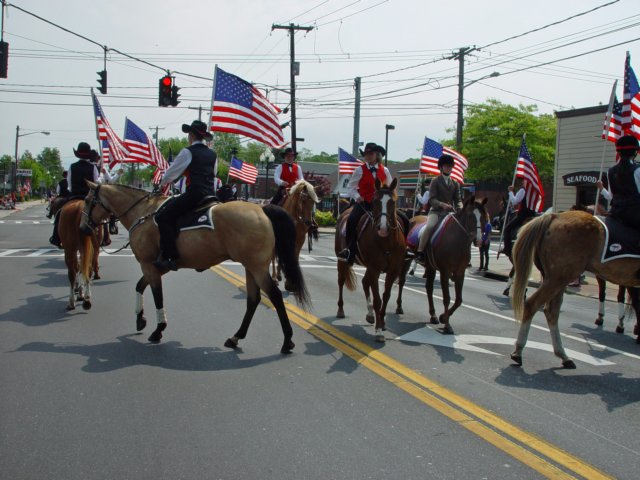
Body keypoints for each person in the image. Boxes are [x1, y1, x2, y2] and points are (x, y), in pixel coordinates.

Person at [153, 120, 217, 271]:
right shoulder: (212, 154)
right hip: (211, 195)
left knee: (163, 217)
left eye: (189, 134)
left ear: (191, 135)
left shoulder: (188, 152)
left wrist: (161, 184)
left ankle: (170, 257)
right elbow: (213, 174)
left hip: (194, 194)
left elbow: (171, 173)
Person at [337, 142, 392, 265]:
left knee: (401, 219)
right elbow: (351, 187)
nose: (368, 156)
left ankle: (401, 250)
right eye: (366, 154)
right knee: (351, 220)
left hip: (381, 205)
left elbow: (390, 187)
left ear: (376, 154)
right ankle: (349, 250)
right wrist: (358, 196)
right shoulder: (360, 170)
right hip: (365, 203)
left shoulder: (385, 170)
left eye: (370, 153)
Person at [49, 143, 100, 248]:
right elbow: (96, 183)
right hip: (88, 198)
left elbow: (69, 186)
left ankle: (55, 237)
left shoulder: (72, 166)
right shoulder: (93, 167)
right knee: (102, 216)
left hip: (74, 196)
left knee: (59, 214)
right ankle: (103, 237)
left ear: (78, 154)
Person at [416, 154, 462, 262]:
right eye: (446, 166)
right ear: (441, 167)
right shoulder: (435, 181)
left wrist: (460, 207)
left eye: (450, 166)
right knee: (429, 226)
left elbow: (458, 199)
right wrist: (442, 205)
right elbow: (432, 199)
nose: (449, 168)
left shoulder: (455, 183)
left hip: (450, 213)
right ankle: (420, 251)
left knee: (461, 228)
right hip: (436, 212)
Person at [607, 135, 640, 230]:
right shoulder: (637, 170)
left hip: (615, 214)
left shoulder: (611, 171)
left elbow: (610, 196)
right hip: (634, 216)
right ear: (635, 152)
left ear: (619, 152)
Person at [501, 182, 537, 258]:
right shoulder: (534, 190)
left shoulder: (523, 190)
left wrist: (510, 192)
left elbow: (514, 201)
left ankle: (507, 248)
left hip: (523, 215)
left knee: (507, 229)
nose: (522, 183)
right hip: (533, 215)